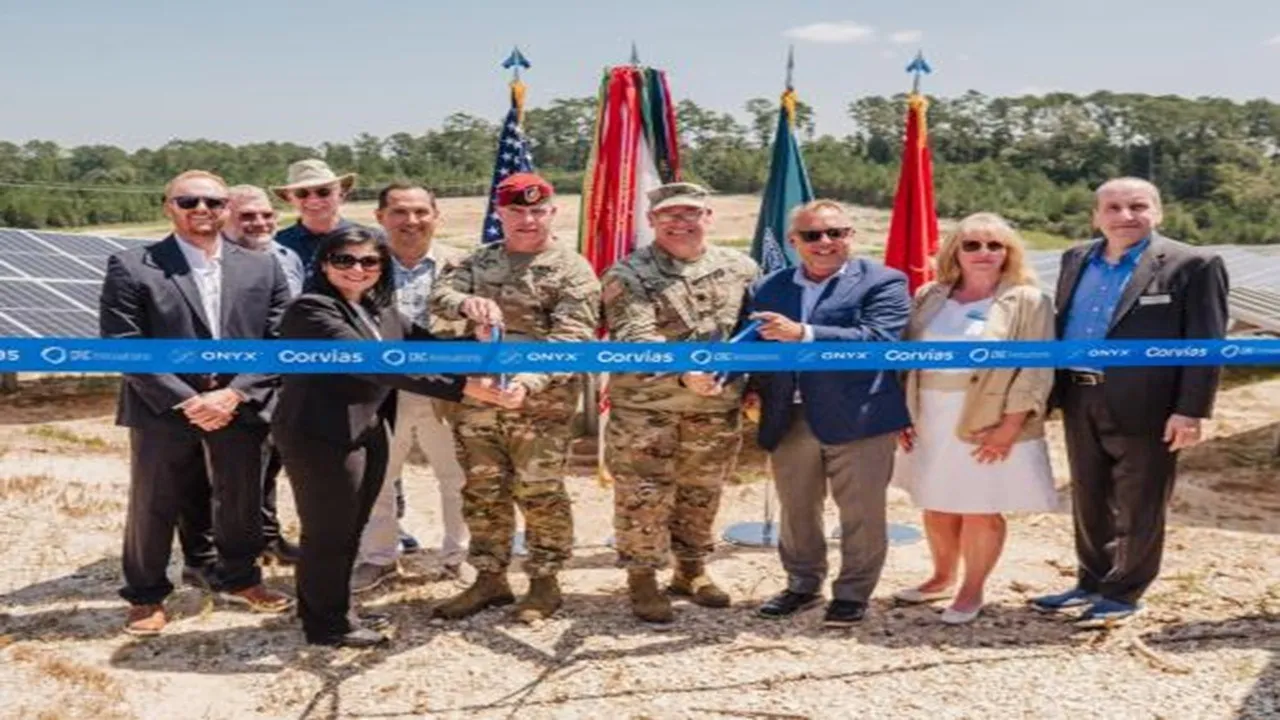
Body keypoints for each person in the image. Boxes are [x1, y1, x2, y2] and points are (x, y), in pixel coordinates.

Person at [271, 226, 513, 647]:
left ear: (381, 267)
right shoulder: (311, 310)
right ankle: (326, 626)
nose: (357, 269)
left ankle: (333, 609)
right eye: (344, 260)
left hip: (367, 427)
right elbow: (377, 365)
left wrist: (476, 342)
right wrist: (463, 388)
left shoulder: (379, 308)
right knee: (328, 530)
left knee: (351, 525)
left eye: (369, 261)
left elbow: (428, 348)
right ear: (325, 264)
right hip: (320, 435)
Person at [99, 170, 294, 636]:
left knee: (241, 499)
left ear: (227, 208)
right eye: (189, 201)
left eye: (212, 201)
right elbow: (124, 345)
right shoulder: (133, 265)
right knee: (154, 503)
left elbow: (279, 341)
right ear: (169, 206)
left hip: (238, 404)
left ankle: (241, 579)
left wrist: (234, 393)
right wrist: (189, 401)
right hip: (161, 408)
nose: (201, 210)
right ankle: (145, 596)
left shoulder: (263, 267)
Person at [1032, 177, 1229, 627]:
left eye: (1137, 206)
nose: (1125, 216)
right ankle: (1090, 582)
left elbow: (1207, 341)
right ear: (1096, 216)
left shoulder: (1194, 264)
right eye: (1114, 208)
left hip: (1151, 405)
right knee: (1088, 494)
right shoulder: (1076, 258)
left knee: (1140, 498)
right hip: (1080, 394)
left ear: (1157, 212)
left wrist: (1192, 409)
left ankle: (1124, 593)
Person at [429, 172, 600, 623]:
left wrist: (527, 382)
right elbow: (438, 298)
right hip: (478, 399)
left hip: (539, 406)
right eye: (516, 211)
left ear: (552, 212)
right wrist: (466, 307)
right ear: (500, 214)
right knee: (484, 490)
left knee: (541, 491)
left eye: (537, 210)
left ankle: (545, 582)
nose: (528, 219)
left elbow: (573, 339)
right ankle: (489, 578)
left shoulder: (572, 269)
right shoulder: (478, 262)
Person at [745, 200, 912, 627]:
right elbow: (751, 346)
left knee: (862, 512)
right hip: (789, 416)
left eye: (836, 233)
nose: (826, 243)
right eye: (813, 235)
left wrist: (804, 334)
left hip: (859, 416)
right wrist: (735, 382)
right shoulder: (768, 287)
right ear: (793, 241)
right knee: (797, 510)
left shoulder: (885, 281)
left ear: (850, 236)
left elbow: (877, 339)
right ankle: (802, 585)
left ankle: (853, 594)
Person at [600, 182, 759, 623]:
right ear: (651, 221)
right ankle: (643, 578)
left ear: (709, 218)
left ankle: (691, 569)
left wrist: (747, 383)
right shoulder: (627, 273)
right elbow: (635, 335)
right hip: (646, 409)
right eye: (669, 215)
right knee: (642, 494)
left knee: (701, 491)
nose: (681, 222)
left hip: (714, 407)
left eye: (691, 213)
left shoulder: (741, 268)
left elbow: (752, 333)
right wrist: (684, 372)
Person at [891, 212, 1058, 624]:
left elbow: (1035, 369)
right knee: (936, 501)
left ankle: (972, 589)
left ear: (1009, 252)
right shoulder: (930, 294)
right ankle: (940, 577)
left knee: (980, 506)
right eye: (972, 245)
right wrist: (902, 413)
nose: (983, 253)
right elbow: (905, 359)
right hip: (930, 413)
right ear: (955, 251)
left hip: (990, 416)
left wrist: (1009, 427)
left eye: (994, 245)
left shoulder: (1029, 299)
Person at [351, 183, 470, 592]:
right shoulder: (362, 265)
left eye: (421, 212)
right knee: (379, 477)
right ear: (380, 217)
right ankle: (379, 557)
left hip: (446, 390)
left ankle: (458, 556)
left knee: (457, 476)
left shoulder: (463, 264)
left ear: (436, 216)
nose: (411, 221)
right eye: (399, 212)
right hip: (380, 391)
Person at [219, 185, 304, 565]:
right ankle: (227, 554)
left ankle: (267, 538)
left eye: (267, 215)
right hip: (233, 382)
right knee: (233, 476)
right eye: (247, 216)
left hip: (283, 378)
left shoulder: (288, 257)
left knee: (269, 466)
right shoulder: (214, 261)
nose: (260, 223)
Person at [272, 159, 362, 270]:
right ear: (290, 199)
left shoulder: (371, 239)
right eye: (302, 193)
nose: (313, 200)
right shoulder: (276, 245)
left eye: (323, 192)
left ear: (341, 194)